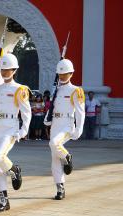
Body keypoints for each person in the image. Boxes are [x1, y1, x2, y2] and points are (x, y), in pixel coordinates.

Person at [0, 53, 32, 212]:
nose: (4, 72)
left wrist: (23, 130)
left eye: (7, 70)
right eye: (2, 70)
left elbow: (27, 112)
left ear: (14, 70)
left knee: (0, 156)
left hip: (10, 128)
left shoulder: (20, 89)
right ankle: (4, 201)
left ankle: (14, 170)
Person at [47, 59, 85, 200]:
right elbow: (52, 107)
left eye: (65, 73)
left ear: (71, 73)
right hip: (55, 124)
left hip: (67, 124)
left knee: (54, 144)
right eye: (60, 73)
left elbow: (81, 112)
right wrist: (48, 118)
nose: (62, 76)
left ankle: (67, 157)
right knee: (54, 158)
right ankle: (60, 188)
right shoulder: (55, 89)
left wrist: (79, 129)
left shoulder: (76, 90)